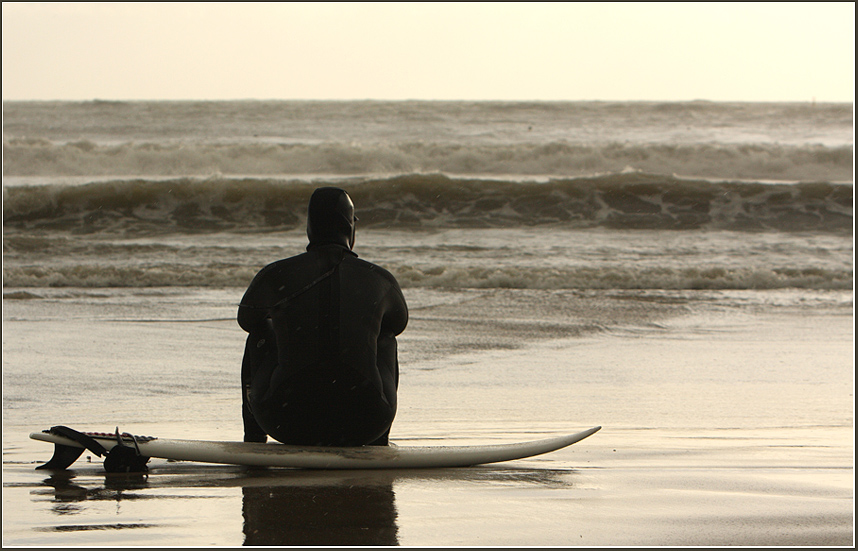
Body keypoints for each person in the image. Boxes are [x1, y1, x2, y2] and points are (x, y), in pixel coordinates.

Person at [238, 187, 408, 447]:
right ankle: (379, 444)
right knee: (384, 338)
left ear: (310, 227)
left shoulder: (276, 274)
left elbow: (247, 319)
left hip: (286, 421)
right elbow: (398, 323)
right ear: (350, 228)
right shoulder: (379, 279)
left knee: (260, 333)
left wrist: (290, 320)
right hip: (365, 422)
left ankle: (253, 439)